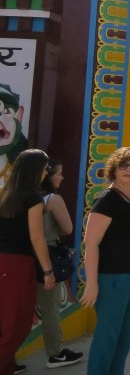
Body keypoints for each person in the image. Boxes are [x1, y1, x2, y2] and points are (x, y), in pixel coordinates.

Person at [80, 147, 130, 375]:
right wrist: (91, 283)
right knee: (108, 334)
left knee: (127, 333)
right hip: (112, 277)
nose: (128, 170)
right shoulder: (108, 199)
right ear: (114, 169)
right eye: (123, 166)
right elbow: (90, 243)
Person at [0, 149, 56, 375]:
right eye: (46, 168)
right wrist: (48, 270)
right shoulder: (33, 198)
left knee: (5, 324)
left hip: (4, 263)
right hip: (17, 266)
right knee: (17, 326)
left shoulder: (5, 194)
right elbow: (36, 236)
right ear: (37, 170)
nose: (47, 173)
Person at [36, 159, 84, 369]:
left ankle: (11, 357)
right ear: (48, 175)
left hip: (20, 255)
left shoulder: (22, 196)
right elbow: (67, 227)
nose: (62, 177)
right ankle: (55, 353)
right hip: (46, 256)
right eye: (59, 173)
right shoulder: (52, 199)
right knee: (50, 308)